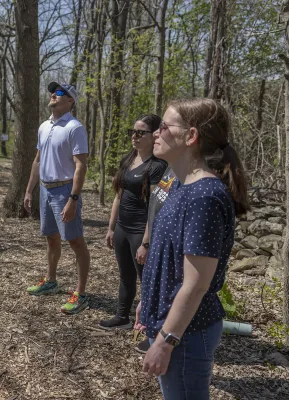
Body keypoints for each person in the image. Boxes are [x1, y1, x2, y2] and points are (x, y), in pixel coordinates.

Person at [137, 99, 249, 399]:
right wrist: (147, 301)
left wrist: (165, 341)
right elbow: (166, 257)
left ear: (191, 136)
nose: (155, 133)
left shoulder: (205, 197)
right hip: (170, 323)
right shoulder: (178, 183)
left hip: (187, 333)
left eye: (164, 126)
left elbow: (196, 285)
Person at [24, 81, 91, 314]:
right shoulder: (44, 126)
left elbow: (81, 165)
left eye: (60, 92)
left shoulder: (75, 128)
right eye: (53, 91)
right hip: (45, 189)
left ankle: (80, 294)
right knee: (51, 238)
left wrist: (73, 198)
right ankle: (51, 281)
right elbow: (37, 160)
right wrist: (29, 190)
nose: (54, 94)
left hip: (64, 190)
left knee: (75, 241)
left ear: (71, 101)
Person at [99, 115, 167, 330]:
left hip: (141, 229)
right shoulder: (127, 160)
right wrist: (111, 227)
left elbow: (155, 207)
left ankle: (149, 323)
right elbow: (118, 196)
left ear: (153, 135)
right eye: (133, 131)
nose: (134, 136)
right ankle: (122, 316)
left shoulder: (158, 166)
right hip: (122, 228)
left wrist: (146, 242)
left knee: (146, 279)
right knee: (125, 275)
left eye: (140, 132)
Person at [134, 165, 178, 354]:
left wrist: (167, 340)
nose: (157, 133)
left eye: (163, 131)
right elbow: (154, 209)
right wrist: (146, 242)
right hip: (155, 249)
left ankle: (164, 338)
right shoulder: (171, 168)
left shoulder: (191, 180)